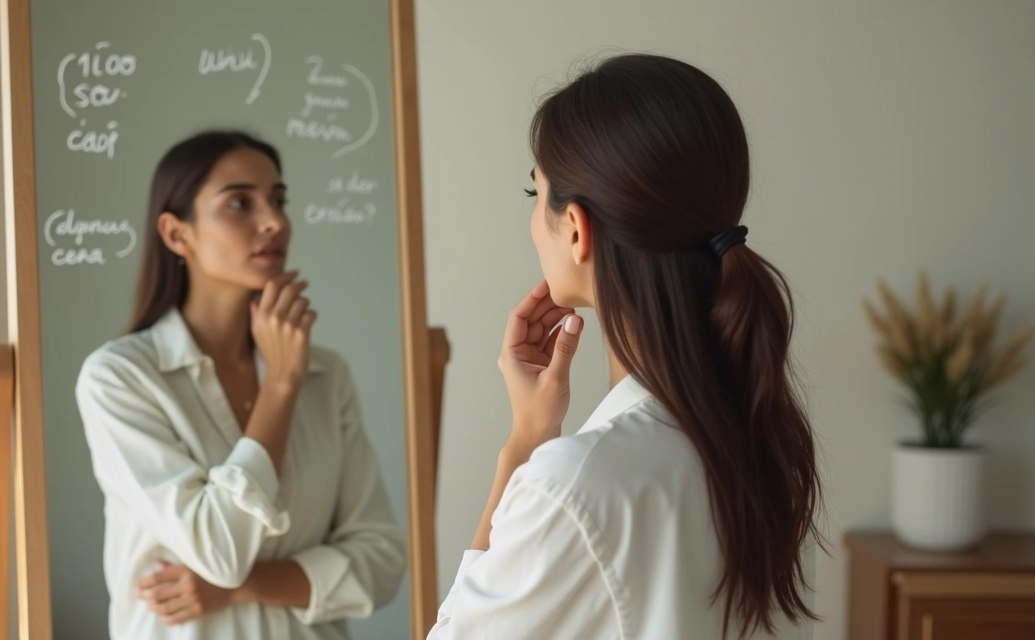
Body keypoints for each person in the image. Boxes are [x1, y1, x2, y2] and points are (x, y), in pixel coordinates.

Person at [429, 54, 823, 639]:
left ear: (577, 229)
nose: (535, 222)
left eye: (534, 194)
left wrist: (524, 445)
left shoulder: (576, 483)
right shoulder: (764, 439)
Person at [75, 131, 406, 639]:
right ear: (176, 234)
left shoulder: (327, 377)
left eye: (278, 199)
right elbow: (219, 550)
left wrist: (245, 588)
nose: (273, 220)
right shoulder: (119, 379)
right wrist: (281, 386)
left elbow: (381, 561)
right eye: (238, 202)